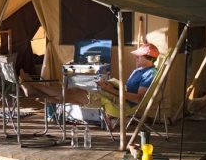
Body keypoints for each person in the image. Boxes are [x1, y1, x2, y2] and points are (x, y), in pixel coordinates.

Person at [20, 43, 161, 117]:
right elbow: (128, 90)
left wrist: (110, 89)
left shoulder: (149, 73)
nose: (136, 57)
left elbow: (138, 99)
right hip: (112, 95)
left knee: (72, 93)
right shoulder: (140, 70)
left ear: (149, 58)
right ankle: (33, 91)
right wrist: (111, 86)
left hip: (118, 103)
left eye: (139, 56)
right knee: (67, 96)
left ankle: (31, 85)